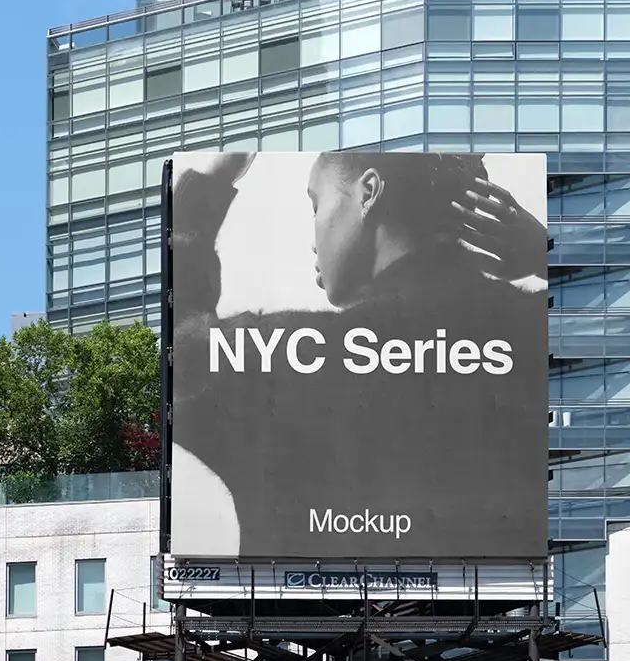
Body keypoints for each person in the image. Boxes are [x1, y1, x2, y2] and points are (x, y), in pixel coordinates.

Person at [170, 151, 549, 559]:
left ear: (368, 191)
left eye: (317, 204)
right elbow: (618, 341)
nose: (314, 240)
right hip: (483, 606)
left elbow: (180, 363)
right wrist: (548, 254)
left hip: (307, 615)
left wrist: (210, 184)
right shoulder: (530, 330)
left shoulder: (282, 355)